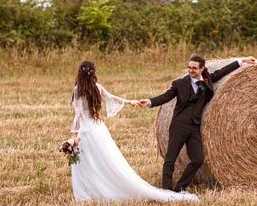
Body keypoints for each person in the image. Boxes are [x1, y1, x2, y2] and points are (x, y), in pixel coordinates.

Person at [69, 61, 198, 203]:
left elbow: (78, 114)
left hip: (86, 130)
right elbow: (113, 98)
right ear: (93, 73)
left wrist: (74, 135)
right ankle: (102, 185)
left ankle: (90, 189)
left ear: (79, 74)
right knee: (107, 160)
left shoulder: (77, 89)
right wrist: (130, 101)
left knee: (87, 161)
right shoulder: (97, 87)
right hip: (97, 129)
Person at [139, 54, 256, 192]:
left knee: (198, 159)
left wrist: (242, 61)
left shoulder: (207, 80)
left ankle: (179, 188)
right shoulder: (180, 84)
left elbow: (224, 71)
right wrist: (150, 102)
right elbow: (166, 96)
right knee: (170, 158)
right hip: (179, 125)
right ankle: (166, 190)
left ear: (202, 69)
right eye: (189, 67)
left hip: (194, 127)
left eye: (194, 68)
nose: (191, 70)